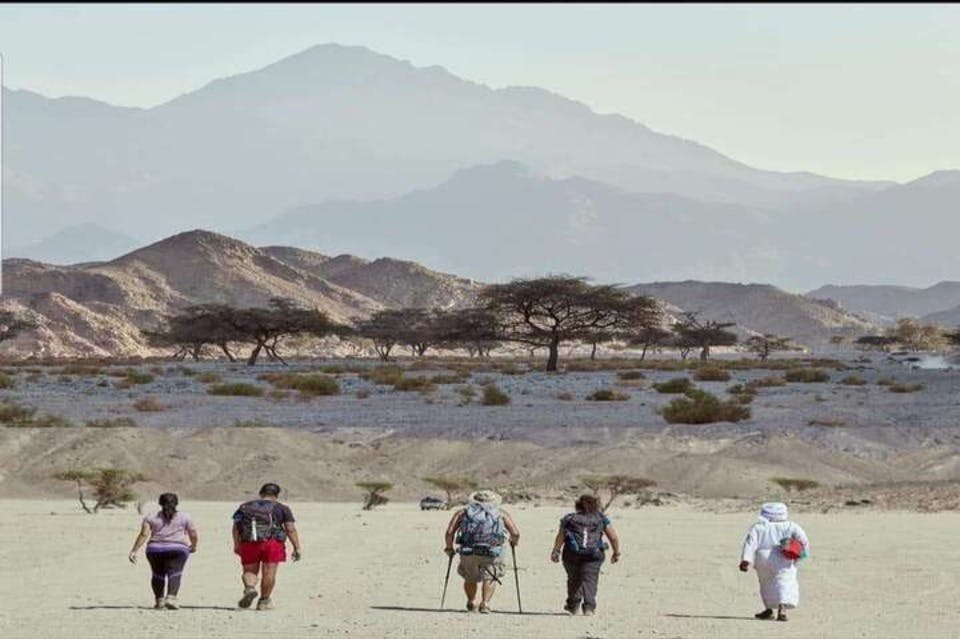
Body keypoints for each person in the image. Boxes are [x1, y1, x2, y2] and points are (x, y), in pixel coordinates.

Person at [443, 490, 520, 614]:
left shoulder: (462, 513)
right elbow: (515, 533)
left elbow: (449, 532)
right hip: (492, 550)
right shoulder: (501, 513)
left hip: (468, 550)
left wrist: (449, 548)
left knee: (470, 577)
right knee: (490, 576)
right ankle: (485, 603)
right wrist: (513, 543)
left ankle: (471, 601)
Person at [232, 482, 302, 611]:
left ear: (261, 493)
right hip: (272, 543)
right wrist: (296, 547)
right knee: (269, 571)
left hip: (249, 541)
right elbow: (290, 529)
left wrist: (237, 544)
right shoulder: (282, 508)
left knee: (249, 570)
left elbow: (236, 528)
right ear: (276, 495)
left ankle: (250, 588)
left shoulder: (244, 507)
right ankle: (264, 601)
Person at [549, 494, 621, 616]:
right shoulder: (601, 518)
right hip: (594, 554)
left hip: (571, 554)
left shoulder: (569, 519)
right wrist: (616, 552)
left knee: (573, 579)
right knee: (590, 579)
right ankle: (589, 607)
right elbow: (613, 537)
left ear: (578, 505)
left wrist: (556, 551)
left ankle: (573, 605)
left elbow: (560, 536)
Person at [739, 501, 810, 622]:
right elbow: (803, 541)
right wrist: (800, 555)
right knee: (785, 582)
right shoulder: (791, 526)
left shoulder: (758, 527)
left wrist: (746, 560)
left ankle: (768, 610)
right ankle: (782, 609)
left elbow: (750, 543)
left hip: (762, 558)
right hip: (783, 558)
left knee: (766, 583)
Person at [128, 493, 198, 610]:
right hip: (178, 549)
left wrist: (134, 550)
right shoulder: (185, 517)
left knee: (157, 574)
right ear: (176, 503)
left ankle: (159, 601)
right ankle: (171, 598)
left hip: (154, 550)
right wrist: (194, 546)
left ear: (160, 503)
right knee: (175, 573)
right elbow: (193, 533)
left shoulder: (150, 517)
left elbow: (144, 534)